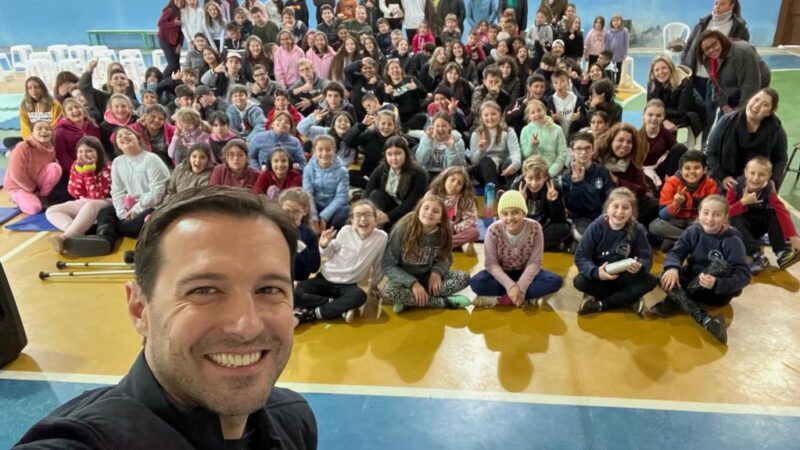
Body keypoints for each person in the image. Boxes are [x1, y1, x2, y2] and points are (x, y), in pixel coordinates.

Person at [15, 185, 318, 448]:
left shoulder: (294, 421)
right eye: (204, 290)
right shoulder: (86, 440)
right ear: (139, 309)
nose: (247, 325)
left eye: (268, 289)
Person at [59, 127, 170, 256]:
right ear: (117, 144)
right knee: (105, 212)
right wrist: (121, 212)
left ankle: (108, 229)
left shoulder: (151, 159)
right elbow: (117, 191)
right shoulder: (118, 162)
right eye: (120, 136)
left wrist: (135, 210)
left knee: (144, 220)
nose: (124, 137)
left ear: (138, 139)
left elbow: (158, 193)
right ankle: (104, 241)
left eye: (128, 134)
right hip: (130, 208)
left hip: (151, 207)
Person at [657, 195, 751, 344]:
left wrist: (717, 283)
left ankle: (674, 301)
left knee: (720, 265)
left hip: (714, 291)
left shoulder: (732, 240)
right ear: (699, 213)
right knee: (665, 276)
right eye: (705, 213)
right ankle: (704, 318)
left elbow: (744, 276)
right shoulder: (693, 231)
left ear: (725, 217)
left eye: (716, 214)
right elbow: (676, 252)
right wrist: (672, 268)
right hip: (692, 281)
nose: (710, 218)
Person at [294, 200, 389, 326]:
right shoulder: (345, 231)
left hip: (349, 285)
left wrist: (374, 285)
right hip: (325, 279)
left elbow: (378, 263)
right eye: (358, 215)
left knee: (360, 296)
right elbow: (327, 253)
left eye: (367, 214)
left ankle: (315, 312)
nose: (363, 219)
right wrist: (323, 245)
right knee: (295, 292)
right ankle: (337, 306)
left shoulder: (381, 237)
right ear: (352, 220)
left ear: (375, 219)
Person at [573, 187, 658, 315]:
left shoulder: (637, 229)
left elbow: (646, 257)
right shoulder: (596, 227)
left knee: (651, 280)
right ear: (608, 208)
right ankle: (629, 299)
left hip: (624, 277)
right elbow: (581, 256)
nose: (620, 212)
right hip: (601, 277)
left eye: (625, 208)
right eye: (615, 206)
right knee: (579, 281)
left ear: (632, 212)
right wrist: (596, 272)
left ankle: (601, 304)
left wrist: (640, 267)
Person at [470, 190, 563, 307]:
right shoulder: (493, 230)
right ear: (500, 215)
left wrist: (521, 287)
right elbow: (491, 264)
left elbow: (535, 262)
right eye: (505, 214)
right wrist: (511, 286)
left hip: (526, 272)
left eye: (515, 212)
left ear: (524, 213)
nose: (510, 218)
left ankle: (505, 298)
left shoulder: (535, 228)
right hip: (502, 273)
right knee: (476, 283)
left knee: (554, 281)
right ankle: (524, 298)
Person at [381, 195, 472, 312]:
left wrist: (436, 272)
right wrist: (413, 284)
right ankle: (442, 302)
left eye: (435, 211)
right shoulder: (402, 229)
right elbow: (388, 264)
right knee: (389, 291)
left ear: (440, 218)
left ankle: (409, 300)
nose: (429, 213)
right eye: (426, 208)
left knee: (464, 278)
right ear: (418, 210)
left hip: (428, 277)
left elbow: (446, 258)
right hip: (405, 279)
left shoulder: (444, 232)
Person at [681, 0, 750, 145]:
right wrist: (684, 66)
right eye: (716, 3)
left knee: (709, 113)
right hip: (696, 76)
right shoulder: (703, 23)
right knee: (694, 112)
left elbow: (741, 55)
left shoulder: (739, 28)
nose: (717, 6)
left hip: (717, 80)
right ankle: (695, 143)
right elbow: (689, 46)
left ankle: (706, 144)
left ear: (731, 6)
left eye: (722, 4)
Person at [727, 157, 800, 272]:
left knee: (774, 212)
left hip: (757, 228)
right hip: (740, 232)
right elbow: (725, 213)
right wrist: (743, 203)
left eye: (761, 175)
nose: (756, 178)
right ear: (745, 172)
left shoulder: (769, 191)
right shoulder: (735, 188)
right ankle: (757, 255)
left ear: (769, 176)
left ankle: (781, 252)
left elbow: (783, 213)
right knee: (733, 218)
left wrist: (793, 237)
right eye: (752, 173)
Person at [706, 88, 787, 190]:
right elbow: (711, 153)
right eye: (756, 100)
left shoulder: (776, 130)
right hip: (725, 180)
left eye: (765, 105)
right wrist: (723, 177)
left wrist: (773, 181)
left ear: (769, 112)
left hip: (757, 182)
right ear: (749, 100)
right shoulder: (727, 121)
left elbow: (780, 159)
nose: (757, 106)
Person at [649, 150, 719, 251]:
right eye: (687, 168)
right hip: (674, 223)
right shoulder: (672, 182)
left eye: (697, 168)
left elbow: (713, 211)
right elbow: (662, 215)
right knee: (654, 226)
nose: (692, 172)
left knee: (710, 226)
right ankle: (693, 240)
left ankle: (678, 241)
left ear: (704, 170)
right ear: (681, 171)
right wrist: (676, 203)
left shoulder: (710, 184)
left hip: (696, 222)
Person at [695, 29, 769, 118]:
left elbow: (750, 86)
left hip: (756, 82)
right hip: (732, 86)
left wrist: (738, 112)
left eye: (714, 44)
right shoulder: (706, 58)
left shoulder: (740, 52)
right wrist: (724, 105)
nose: (711, 50)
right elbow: (715, 82)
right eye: (706, 49)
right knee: (725, 119)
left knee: (745, 118)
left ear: (721, 40)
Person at [364, 136, 428, 229]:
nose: (393, 158)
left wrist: (388, 216)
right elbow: (368, 191)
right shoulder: (381, 169)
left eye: (398, 153)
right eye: (389, 154)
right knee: (375, 195)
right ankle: (375, 230)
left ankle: (380, 227)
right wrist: (362, 211)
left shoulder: (419, 173)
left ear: (406, 153)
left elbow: (412, 202)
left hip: (406, 210)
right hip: (385, 207)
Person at [510, 155, 572, 250]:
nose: (534, 184)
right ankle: (536, 245)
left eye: (538, 179)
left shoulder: (554, 187)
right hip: (523, 227)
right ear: (524, 176)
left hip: (543, 227)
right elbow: (511, 219)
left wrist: (553, 202)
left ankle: (527, 245)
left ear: (545, 177)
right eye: (530, 179)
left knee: (565, 228)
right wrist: (520, 203)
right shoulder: (516, 187)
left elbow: (560, 220)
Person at [559, 131, 613, 240]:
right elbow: (572, 207)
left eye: (587, 148)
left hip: (600, 215)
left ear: (593, 150)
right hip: (579, 218)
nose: (583, 153)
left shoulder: (602, 172)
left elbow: (608, 198)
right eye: (579, 149)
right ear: (572, 152)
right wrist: (577, 184)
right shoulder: (566, 176)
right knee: (585, 236)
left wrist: (605, 217)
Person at [3, 121, 62, 215]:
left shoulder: (50, 149)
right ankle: (15, 197)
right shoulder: (22, 147)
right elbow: (16, 174)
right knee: (35, 208)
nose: (44, 131)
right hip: (18, 185)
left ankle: (42, 196)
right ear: (32, 133)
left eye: (47, 129)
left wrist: (39, 191)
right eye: (39, 128)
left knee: (55, 168)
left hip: (34, 183)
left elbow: (50, 172)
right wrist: (32, 188)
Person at [646, 55, 706, 140]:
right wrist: (664, 120)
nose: (661, 72)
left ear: (671, 68)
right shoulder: (652, 83)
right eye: (657, 70)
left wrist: (662, 116)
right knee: (650, 119)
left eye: (664, 68)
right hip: (669, 111)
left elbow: (681, 111)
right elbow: (651, 108)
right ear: (653, 72)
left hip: (690, 112)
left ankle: (669, 147)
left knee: (663, 125)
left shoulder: (684, 82)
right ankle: (656, 146)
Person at [426, 167, 480, 254]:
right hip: (435, 228)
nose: (454, 184)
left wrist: (452, 228)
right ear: (444, 178)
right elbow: (424, 214)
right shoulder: (432, 194)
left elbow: (471, 221)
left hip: (454, 232)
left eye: (459, 183)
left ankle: (442, 245)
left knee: (474, 233)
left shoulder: (466, 199)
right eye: (452, 179)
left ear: (463, 187)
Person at [303, 135, 351, 232]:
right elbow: (308, 194)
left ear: (334, 151)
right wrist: (315, 218)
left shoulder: (342, 171)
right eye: (320, 150)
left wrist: (324, 217)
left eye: (328, 150)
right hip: (315, 205)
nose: (324, 154)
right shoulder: (308, 168)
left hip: (334, 207)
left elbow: (341, 197)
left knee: (344, 213)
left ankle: (328, 231)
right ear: (314, 152)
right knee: (302, 211)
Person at [469, 100, 521, 188]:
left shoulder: (508, 131)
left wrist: (515, 165)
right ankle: (497, 191)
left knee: (510, 162)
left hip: (503, 170)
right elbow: (474, 161)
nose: (490, 117)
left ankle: (511, 190)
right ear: (481, 118)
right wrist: (480, 151)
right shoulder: (476, 133)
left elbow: (515, 152)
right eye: (486, 115)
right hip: (484, 171)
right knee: (486, 161)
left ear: (500, 115)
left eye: (493, 114)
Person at [278, 188, 321, 281]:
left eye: (296, 211)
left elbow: (314, 267)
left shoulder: (309, 235)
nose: (290, 216)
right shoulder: (274, 229)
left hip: (298, 281)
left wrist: (299, 244)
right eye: (287, 211)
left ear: (304, 211)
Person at [522, 99, 566, 177]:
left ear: (544, 111)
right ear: (529, 117)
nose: (537, 114)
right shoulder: (525, 130)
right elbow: (525, 155)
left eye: (539, 110)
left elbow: (562, 155)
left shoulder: (557, 129)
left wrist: (549, 174)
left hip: (552, 172)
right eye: (533, 112)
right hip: (532, 173)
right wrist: (532, 145)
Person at [415, 112, 466, 177]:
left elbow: (454, 167)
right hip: (428, 172)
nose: (440, 129)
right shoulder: (426, 138)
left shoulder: (458, 141)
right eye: (437, 126)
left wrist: (451, 148)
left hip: (448, 174)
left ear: (450, 126)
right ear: (432, 126)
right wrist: (427, 141)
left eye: (444, 126)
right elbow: (420, 161)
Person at [158, 0, 186, 78]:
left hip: (176, 42)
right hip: (165, 40)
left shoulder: (183, 12)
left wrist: (180, 44)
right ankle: (162, 81)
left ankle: (176, 84)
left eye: (182, 0)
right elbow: (160, 23)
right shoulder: (170, 10)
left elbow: (183, 31)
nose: (180, 2)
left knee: (177, 65)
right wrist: (173, 23)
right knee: (172, 64)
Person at [604, 13, 628, 85]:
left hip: (620, 54)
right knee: (611, 69)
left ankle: (617, 83)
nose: (616, 22)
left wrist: (625, 54)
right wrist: (607, 55)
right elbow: (607, 44)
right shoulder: (608, 32)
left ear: (621, 21)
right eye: (614, 21)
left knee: (618, 69)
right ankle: (611, 83)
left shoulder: (624, 31)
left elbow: (626, 43)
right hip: (611, 55)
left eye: (617, 20)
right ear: (611, 22)